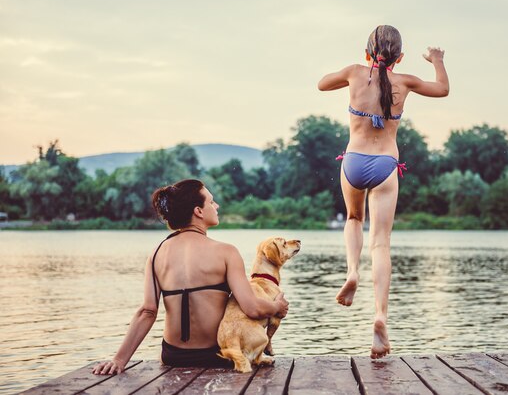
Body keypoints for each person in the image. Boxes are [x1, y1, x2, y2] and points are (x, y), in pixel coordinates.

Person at [318, 25, 449, 359]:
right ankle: (380, 316)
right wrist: (436, 60)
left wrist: (356, 71)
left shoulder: (355, 72)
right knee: (381, 244)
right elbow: (442, 89)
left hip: (354, 162)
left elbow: (322, 83)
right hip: (385, 166)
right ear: (400, 56)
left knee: (352, 218)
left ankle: (351, 272)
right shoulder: (406, 82)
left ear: (367, 52)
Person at [92, 179, 289, 374]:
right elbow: (252, 308)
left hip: (172, 355)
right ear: (198, 211)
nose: (217, 205)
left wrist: (119, 360)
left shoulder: (157, 253)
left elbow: (147, 312)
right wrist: (276, 307)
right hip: (217, 355)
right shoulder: (226, 252)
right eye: (211, 202)